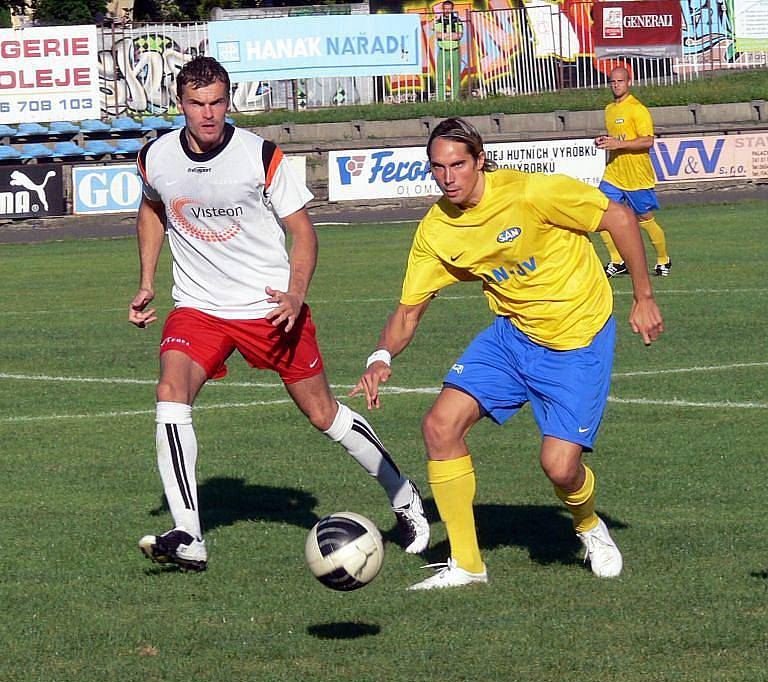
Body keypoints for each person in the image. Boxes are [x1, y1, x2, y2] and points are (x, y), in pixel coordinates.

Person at [129, 56, 429, 571]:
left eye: (218, 102)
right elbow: (152, 209)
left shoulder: (260, 155)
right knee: (169, 394)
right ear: (179, 105)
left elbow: (304, 232)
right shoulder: (154, 157)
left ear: (229, 101)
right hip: (198, 307)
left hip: (270, 308)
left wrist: (294, 293)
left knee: (323, 415)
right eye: (197, 104)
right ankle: (189, 533)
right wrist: (145, 281)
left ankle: (405, 497)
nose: (209, 114)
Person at [351, 117, 664, 590]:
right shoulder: (436, 231)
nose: (448, 176)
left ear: (480, 161)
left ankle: (588, 526)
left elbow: (618, 217)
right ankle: (468, 565)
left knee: (559, 467)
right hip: (512, 335)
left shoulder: (530, 193)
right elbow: (408, 312)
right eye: (438, 167)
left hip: (576, 338)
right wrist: (381, 357)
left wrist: (643, 296)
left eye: (458, 164)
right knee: (440, 426)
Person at [595, 66, 672, 278]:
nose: (615, 85)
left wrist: (618, 145)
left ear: (629, 82)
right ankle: (617, 260)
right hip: (614, 173)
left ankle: (663, 259)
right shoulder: (609, 109)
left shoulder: (638, 109)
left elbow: (648, 140)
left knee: (644, 219)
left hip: (637, 176)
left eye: (619, 81)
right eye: (612, 81)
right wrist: (605, 141)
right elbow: (618, 138)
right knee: (600, 212)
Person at [434, 0, 463, 102]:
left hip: (455, 50)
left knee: (455, 76)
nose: (447, 10)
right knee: (441, 77)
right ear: (443, 9)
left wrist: (445, 36)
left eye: (449, 9)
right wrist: (451, 35)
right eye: (445, 8)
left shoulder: (457, 20)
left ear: (452, 9)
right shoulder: (439, 21)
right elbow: (438, 35)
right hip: (443, 51)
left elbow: (459, 36)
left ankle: (455, 99)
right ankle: (441, 100)